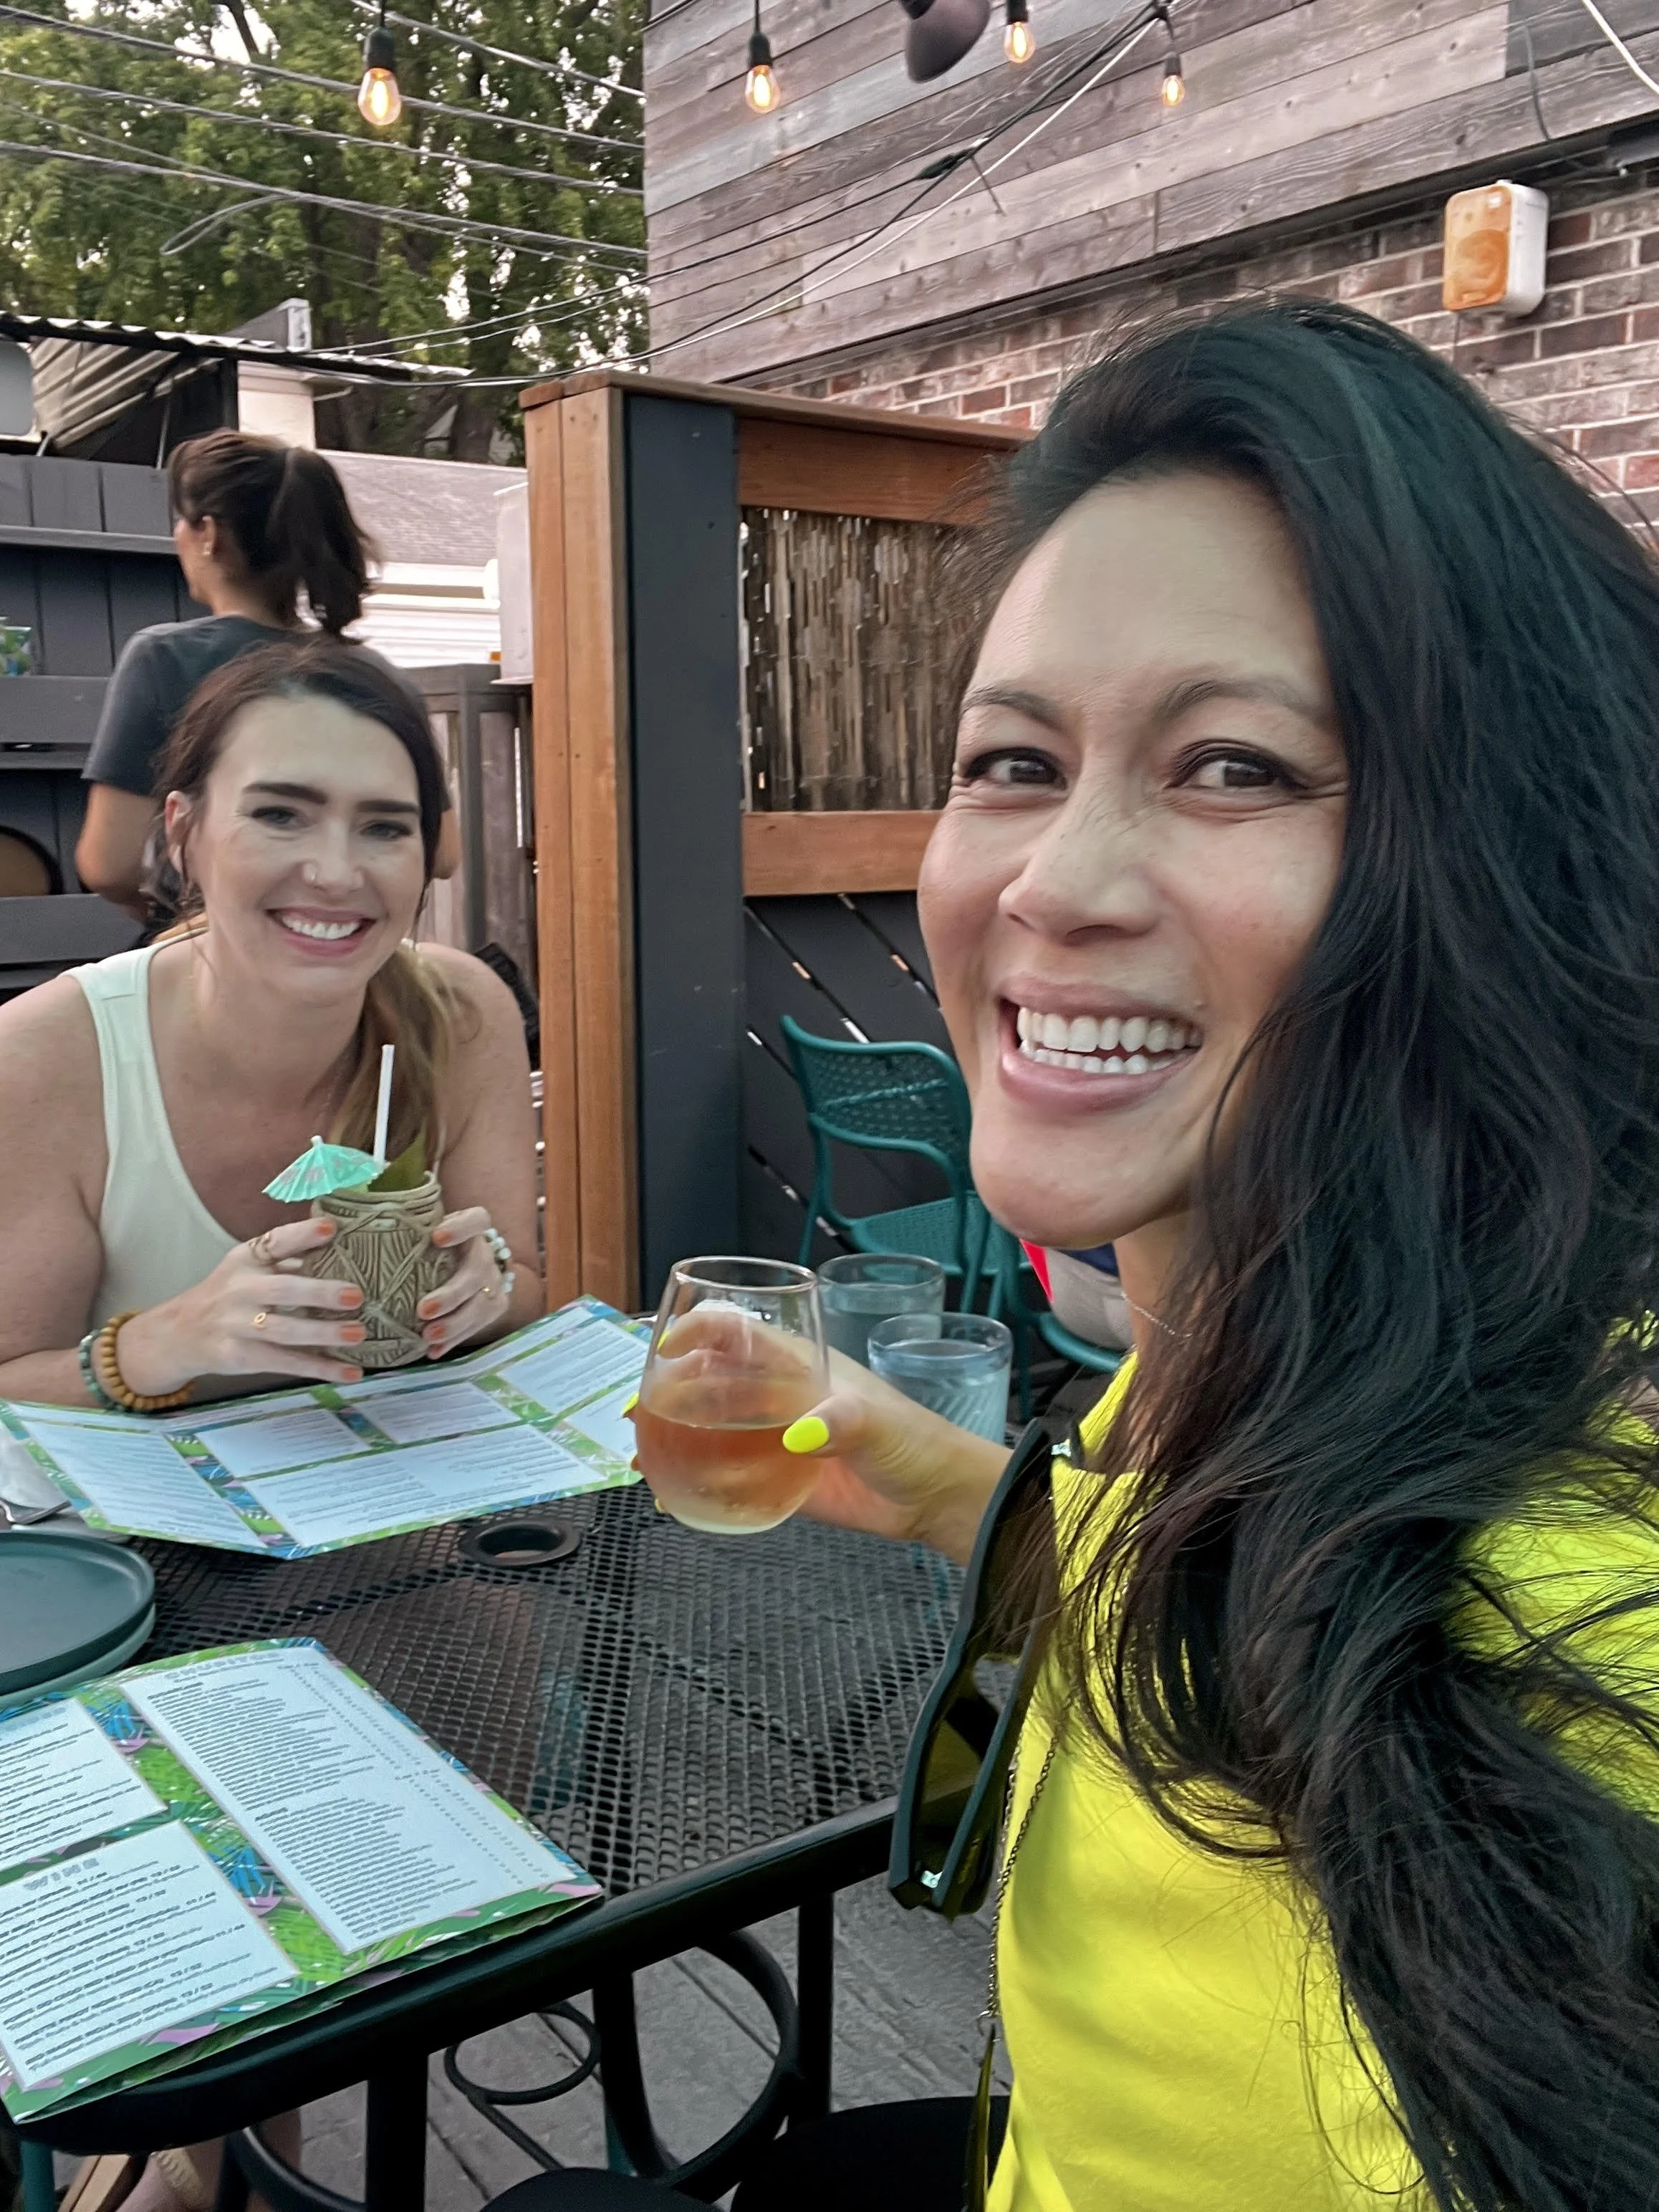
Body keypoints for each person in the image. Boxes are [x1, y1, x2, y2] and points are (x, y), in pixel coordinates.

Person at [626, 299, 1659, 2212]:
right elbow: (1244, 1574)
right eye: (1013, 761)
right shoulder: (1281, 1379)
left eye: (1233, 769)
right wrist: (967, 1496)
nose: (1053, 881)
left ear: (1505, 861)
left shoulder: (1565, 1645)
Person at [0, 633, 539, 1417]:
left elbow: (519, 1286)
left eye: (384, 826)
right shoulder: (43, 1055)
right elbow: (9, 1385)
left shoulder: (462, 1013)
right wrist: (162, 1343)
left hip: (410, 1510)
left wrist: (485, 1289)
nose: (334, 873)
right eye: (281, 814)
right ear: (184, 832)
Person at [74, 429, 459, 917]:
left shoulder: (165, 659)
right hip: (346, 957)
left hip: (216, 959)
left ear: (208, 535)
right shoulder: (380, 677)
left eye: (182, 521)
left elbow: (109, 864)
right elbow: (442, 851)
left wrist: (160, 902)